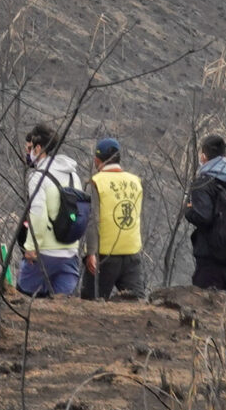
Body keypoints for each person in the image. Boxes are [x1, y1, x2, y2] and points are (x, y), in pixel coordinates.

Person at [17, 125, 86, 296]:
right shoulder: (73, 175)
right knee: (62, 309)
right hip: (70, 252)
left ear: (38, 148)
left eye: (29, 148)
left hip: (44, 253)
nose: (28, 153)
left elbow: (38, 215)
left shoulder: (38, 177)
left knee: (23, 300)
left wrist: (31, 247)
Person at [182, 135, 226, 291]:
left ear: (203, 156)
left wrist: (188, 209)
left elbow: (202, 216)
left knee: (204, 304)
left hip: (211, 257)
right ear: (224, 156)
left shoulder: (203, 183)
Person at [88, 137, 145, 299]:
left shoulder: (96, 182)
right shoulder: (136, 181)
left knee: (91, 303)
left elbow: (93, 219)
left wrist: (91, 252)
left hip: (104, 255)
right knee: (137, 303)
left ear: (97, 161)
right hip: (132, 252)